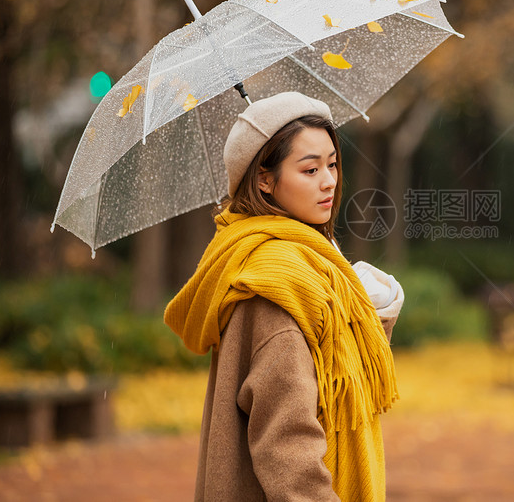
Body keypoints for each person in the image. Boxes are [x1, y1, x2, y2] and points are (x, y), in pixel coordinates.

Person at [164, 91, 403, 502]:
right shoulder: (277, 282)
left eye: (331, 164)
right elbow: (288, 446)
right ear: (264, 180)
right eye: (309, 170)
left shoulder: (309, 262)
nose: (329, 180)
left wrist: (367, 312)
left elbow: (330, 386)